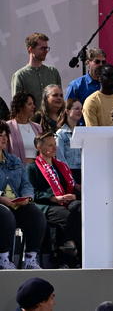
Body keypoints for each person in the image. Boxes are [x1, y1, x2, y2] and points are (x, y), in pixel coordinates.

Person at [28, 132, 82, 267]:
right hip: (46, 204)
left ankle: (76, 250)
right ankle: (66, 252)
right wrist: (53, 198)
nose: (54, 148)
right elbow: (32, 192)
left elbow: (70, 185)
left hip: (65, 200)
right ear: (39, 147)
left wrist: (74, 195)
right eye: (50, 145)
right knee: (67, 216)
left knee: (81, 209)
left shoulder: (60, 166)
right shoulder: (32, 168)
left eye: (55, 144)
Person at [0, 122, 46, 270]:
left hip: (16, 203)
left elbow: (26, 184)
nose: (4, 138)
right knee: (6, 216)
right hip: (2, 204)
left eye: (5, 135)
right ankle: (3, 259)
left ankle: (31, 259)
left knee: (35, 214)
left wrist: (27, 198)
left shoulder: (14, 160)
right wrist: (2, 198)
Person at [11, 33, 61, 107]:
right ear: (31, 49)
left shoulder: (53, 72)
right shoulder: (20, 76)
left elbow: (60, 99)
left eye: (47, 48)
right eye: (42, 48)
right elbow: (17, 106)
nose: (46, 51)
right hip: (31, 118)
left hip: (53, 118)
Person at [7, 92, 43, 164]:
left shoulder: (38, 127)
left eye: (33, 104)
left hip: (37, 170)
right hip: (17, 170)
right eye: (29, 104)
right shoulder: (8, 126)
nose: (34, 106)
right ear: (20, 107)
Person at [55, 98, 83, 183]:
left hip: (83, 172)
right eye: (76, 109)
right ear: (67, 111)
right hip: (69, 173)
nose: (80, 111)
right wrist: (71, 180)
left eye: (81, 109)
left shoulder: (82, 132)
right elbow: (60, 159)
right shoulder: (61, 134)